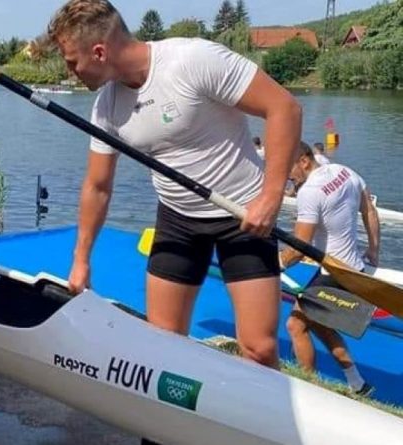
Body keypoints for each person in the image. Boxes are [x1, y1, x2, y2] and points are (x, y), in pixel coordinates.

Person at [49, 0, 301, 369]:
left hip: (243, 215)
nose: (70, 72)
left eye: (72, 62)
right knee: (163, 344)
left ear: (99, 52)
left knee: (258, 349)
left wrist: (271, 197)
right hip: (178, 220)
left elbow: (284, 108)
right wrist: (81, 260)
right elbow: (97, 186)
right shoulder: (107, 107)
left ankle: (266, 406)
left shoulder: (193, 60)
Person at [279, 142, 378, 396]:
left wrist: (278, 262)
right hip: (352, 268)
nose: (288, 176)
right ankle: (358, 384)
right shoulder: (344, 171)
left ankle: (307, 388)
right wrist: (374, 250)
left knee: (295, 325)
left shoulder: (309, 192)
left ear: (304, 161)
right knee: (317, 322)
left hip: (334, 273)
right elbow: (369, 209)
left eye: (289, 169)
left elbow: (299, 248)